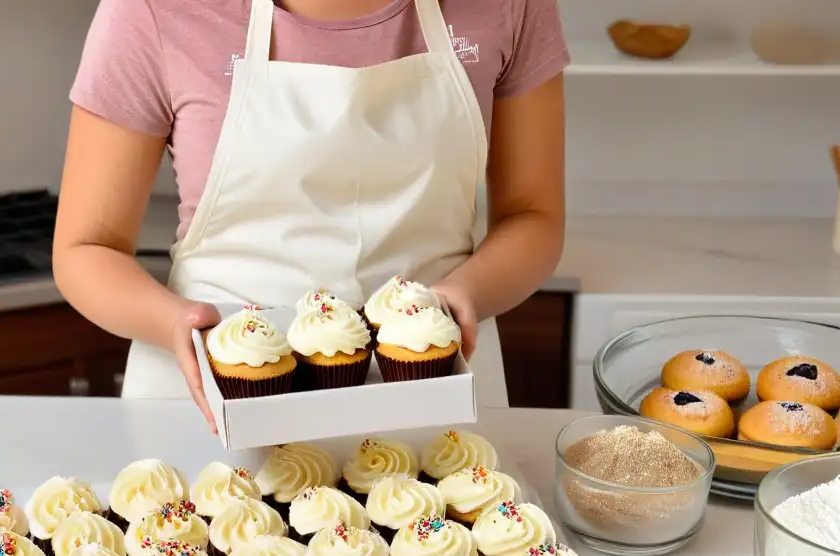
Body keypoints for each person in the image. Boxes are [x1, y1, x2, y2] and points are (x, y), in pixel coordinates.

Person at [54, 0, 568, 431]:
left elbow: (533, 214)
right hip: (215, 404)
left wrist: (467, 294)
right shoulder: (154, 10)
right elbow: (86, 248)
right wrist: (173, 323)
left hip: (436, 393)